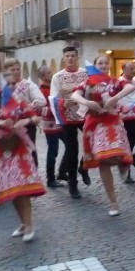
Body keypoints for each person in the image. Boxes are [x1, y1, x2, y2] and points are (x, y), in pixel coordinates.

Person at [0, 58, 46, 242]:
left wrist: (26, 121)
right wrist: (2, 122)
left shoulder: (19, 97)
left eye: (17, 70)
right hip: (2, 147)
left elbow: (33, 116)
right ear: (4, 74)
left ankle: (29, 224)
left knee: (22, 187)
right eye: (11, 71)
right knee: (12, 189)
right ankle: (24, 223)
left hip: (18, 146)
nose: (15, 74)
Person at [70, 55, 135, 216]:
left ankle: (123, 164)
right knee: (103, 161)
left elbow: (130, 87)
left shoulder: (114, 81)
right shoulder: (88, 82)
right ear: (95, 65)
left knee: (117, 153)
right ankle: (113, 202)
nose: (104, 65)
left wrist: (115, 98)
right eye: (100, 63)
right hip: (96, 123)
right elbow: (74, 95)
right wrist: (87, 103)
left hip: (112, 121)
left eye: (106, 63)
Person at [51, 46, 90, 199]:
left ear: (77, 57)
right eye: (67, 56)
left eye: (73, 55)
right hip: (67, 117)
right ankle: (73, 185)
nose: (70, 58)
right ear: (63, 58)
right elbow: (53, 98)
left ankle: (84, 167)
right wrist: (63, 103)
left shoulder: (85, 74)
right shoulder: (57, 77)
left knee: (92, 142)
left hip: (85, 114)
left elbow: (92, 90)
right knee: (72, 150)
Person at [37, 66, 63, 188]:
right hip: (50, 123)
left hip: (59, 122)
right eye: (48, 72)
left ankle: (62, 171)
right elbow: (43, 108)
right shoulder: (42, 90)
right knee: (53, 150)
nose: (51, 73)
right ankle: (50, 178)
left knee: (70, 145)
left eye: (50, 71)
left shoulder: (52, 86)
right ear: (42, 76)